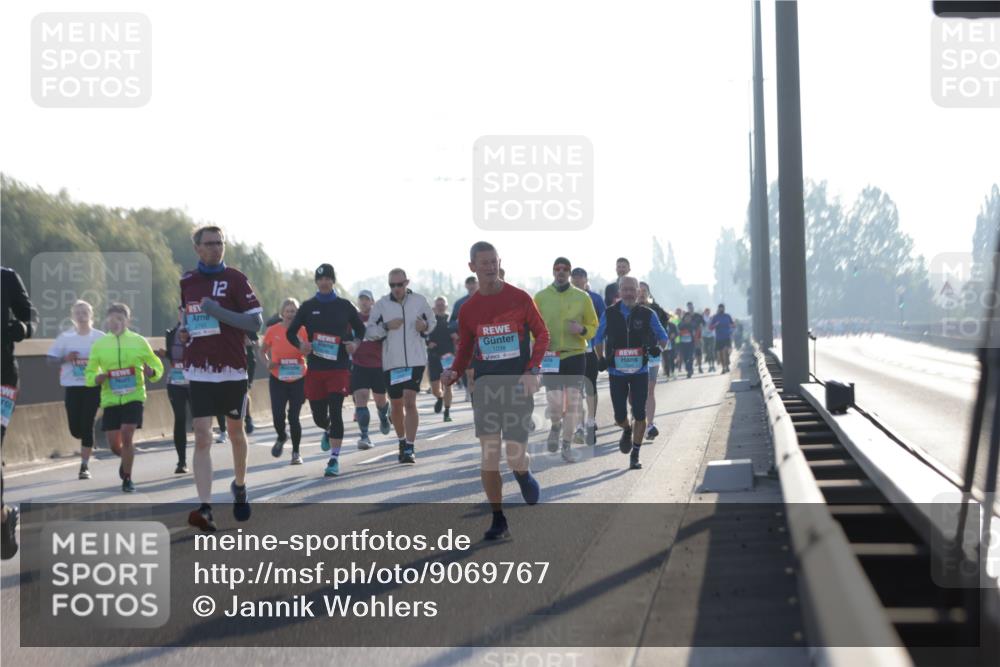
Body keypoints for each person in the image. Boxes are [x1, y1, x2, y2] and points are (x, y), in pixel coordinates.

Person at [441, 241, 547, 540]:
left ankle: (523, 473)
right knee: (489, 453)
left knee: (514, 455)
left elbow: (542, 334)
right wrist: (454, 372)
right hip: (486, 385)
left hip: (517, 384)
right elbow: (464, 349)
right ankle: (498, 518)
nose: (489, 266)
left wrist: (532, 369)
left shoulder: (519, 298)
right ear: (472, 267)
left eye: (493, 261)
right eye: (483, 262)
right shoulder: (468, 309)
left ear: (499, 263)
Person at [180, 226, 264, 531]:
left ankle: (239, 485)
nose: (217, 248)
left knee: (234, 432)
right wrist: (183, 331)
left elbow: (255, 322)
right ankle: (205, 508)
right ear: (198, 248)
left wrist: (218, 311)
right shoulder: (187, 281)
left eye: (221, 243)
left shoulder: (235, 279)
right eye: (210, 244)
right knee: (202, 434)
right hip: (199, 368)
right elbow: (185, 317)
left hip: (231, 368)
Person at [287, 263, 365, 477]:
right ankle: (327, 429)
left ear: (333, 281)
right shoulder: (307, 306)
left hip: (338, 367)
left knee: (336, 410)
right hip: (315, 368)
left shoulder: (344, 305)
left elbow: (361, 328)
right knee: (319, 417)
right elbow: (291, 333)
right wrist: (300, 345)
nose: (324, 282)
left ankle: (334, 459)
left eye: (328, 279)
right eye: (320, 279)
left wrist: (355, 343)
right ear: (316, 282)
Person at [85, 303, 164, 493]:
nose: (115, 323)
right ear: (107, 321)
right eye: (112, 319)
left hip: (134, 396)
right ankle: (125, 459)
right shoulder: (100, 345)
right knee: (114, 445)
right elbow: (89, 373)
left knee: (127, 434)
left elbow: (157, 366)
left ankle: (127, 478)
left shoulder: (138, 341)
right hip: (111, 399)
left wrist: (151, 372)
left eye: (119, 319)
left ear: (127, 321)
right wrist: (97, 378)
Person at [593, 277, 669, 470]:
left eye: (631, 289)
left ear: (638, 291)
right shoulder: (610, 313)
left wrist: (657, 350)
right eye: (624, 289)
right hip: (616, 371)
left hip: (640, 370)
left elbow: (663, 337)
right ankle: (626, 429)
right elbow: (597, 338)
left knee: (639, 413)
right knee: (619, 415)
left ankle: (635, 453)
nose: (628, 293)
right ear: (619, 291)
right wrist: (600, 357)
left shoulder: (647, 313)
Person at [365, 268, 436, 464]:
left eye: (399, 284)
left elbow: (432, 321)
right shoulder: (381, 305)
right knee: (396, 404)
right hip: (392, 362)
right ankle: (401, 441)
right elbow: (369, 331)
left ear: (407, 283)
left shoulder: (419, 301)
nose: (396, 288)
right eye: (392, 285)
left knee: (409, 400)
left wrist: (425, 327)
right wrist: (386, 326)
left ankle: (410, 448)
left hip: (415, 360)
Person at [534, 258, 598, 463]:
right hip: (551, 356)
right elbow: (533, 328)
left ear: (569, 273)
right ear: (553, 271)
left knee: (572, 402)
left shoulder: (582, 297)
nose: (561, 272)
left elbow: (593, 325)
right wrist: (537, 347)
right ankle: (555, 425)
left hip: (575, 354)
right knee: (555, 405)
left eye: (565, 269)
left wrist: (582, 330)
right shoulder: (541, 297)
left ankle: (567, 445)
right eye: (557, 269)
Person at [47, 301, 104, 479]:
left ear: (91, 314)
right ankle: (86, 439)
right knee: (75, 429)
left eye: (85, 311)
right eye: (78, 312)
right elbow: (50, 359)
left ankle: (84, 466)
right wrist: (66, 358)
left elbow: (110, 358)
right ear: (73, 316)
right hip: (72, 387)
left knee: (86, 426)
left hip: (92, 386)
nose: (82, 315)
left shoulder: (100, 337)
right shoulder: (66, 338)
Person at [2, 267, 35, 559]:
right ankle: (2, 516)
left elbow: (30, 316)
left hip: (2, 377)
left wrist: (23, 328)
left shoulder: (7, 277)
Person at [262, 298, 308, 464]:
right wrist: (268, 362)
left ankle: (296, 452)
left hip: (298, 378)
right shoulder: (273, 330)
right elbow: (263, 351)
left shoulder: (302, 330)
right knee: (277, 415)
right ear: (282, 313)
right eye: (288, 311)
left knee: (294, 417)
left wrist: (305, 349)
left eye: (293, 311)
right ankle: (282, 436)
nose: (290, 314)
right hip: (278, 378)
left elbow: (308, 350)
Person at [351, 289, 391, 449]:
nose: (364, 302)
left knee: (380, 400)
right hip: (359, 364)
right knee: (361, 399)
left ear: (372, 302)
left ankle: (383, 416)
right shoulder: (353, 319)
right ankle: (365, 436)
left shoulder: (379, 318)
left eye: (367, 299)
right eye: (361, 299)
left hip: (378, 365)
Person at [570, 268, 605, 446]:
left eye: (580, 277)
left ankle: (591, 420)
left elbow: (602, 324)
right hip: (572, 351)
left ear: (585, 279)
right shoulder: (566, 298)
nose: (577, 280)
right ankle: (579, 426)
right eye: (574, 277)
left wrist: (601, 350)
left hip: (590, 350)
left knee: (590, 387)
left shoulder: (596, 298)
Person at [155, 307, 193, 473]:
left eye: (187, 310)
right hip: (176, 380)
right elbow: (173, 354)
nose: (183, 313)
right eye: (181, 310)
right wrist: (166, 354)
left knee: (199, 420)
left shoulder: (199, 331)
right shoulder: (171, 332)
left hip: (195, 380)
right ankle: (181, 462)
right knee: (180, 418)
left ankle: (202, 457)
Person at [638, 282, 670, 440]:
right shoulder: (628, 310)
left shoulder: (656, 310)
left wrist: (660, 347)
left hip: (652, 354)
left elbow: (665, 332)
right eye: (639, 290)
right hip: (632, 357)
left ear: (649, 293)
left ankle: (649, 424)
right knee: (635, 394)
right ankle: (639, 419)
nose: (641, 293)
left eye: (644, 291)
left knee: (650, 389)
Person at [449, 276, 478, 402]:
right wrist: (456, 333)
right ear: (466, 286)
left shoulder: (485, 298)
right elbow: (451, 323)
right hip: (468, 341)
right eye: (469, 284)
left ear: (477, 284)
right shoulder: (460, 303)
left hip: (485, 341)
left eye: (473, 283)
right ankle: (469, 391)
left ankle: (479, 391)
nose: (471, 286)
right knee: (469, 372)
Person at [426, 296, 455, 422]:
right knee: (434, 388)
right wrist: (428, 343)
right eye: (438, 304)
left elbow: (459, 336)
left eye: (442, 304)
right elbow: (422, 335)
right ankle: (439, 398)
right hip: (433, 357)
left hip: (448, 357)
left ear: (446, 306)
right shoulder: (429, 321)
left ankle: (447, 411)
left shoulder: (451, 321)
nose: (440, 306)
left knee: (448, 385)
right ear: (434, 306)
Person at [710, 304, 735, 373]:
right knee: (721, 354)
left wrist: (731, 328)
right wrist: (715, 325)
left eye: (722, 308)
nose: (721, 309)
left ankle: (726, 365)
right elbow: (711, 328)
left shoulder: (727, 316)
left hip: (727, 336)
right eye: (720, 308)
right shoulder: (715, 317)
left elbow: (733, 325)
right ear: (718, 309)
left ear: (724, 309)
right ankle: (724, 367)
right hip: (719, 338)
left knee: (726, 351)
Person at [687, 301, 706, 374]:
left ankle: (700, 367)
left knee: (699, 352)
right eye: (689, 307)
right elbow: (681, 325)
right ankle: (690, 369)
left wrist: (701, 326)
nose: (690, 308)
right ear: (687, 308)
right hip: (688, 338)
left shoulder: (698, 315)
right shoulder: (686, 315)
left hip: (698, 337)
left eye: (691, 307)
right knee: (690, 354)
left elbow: (704, 323)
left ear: (693, 307)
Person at [677, 312, 696, 378]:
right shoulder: (681, 323)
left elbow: (694, 328)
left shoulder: (693, 323)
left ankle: (689, 370)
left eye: (689, 317)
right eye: (686, 317)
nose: (688, 319)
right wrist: (685, 327)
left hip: (691, 343)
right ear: (684, 318)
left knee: (690, 357)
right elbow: (679, 328)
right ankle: (688, 368)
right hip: (683, 343)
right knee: (685, 358)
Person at [702, 307, 717, 372]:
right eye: (706, 311)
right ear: (704, 312)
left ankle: (713, 365)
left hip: (711, 336)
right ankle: (709, 365)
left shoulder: (712, 318)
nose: (707, 312)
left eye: (708, 311)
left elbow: (715, 324)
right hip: (705, 336)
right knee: (706, 351)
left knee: (712, 351)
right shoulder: (702, 318)